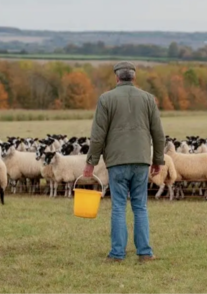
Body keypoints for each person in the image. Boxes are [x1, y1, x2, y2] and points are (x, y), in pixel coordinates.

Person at [83, 61, 165, 262]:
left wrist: (90, 162)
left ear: (116, 77)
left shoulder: (106, 99)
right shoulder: (148, 99)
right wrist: (158, 160)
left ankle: (117, 254)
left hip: (117, 161)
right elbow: (159, 134)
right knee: (140, 206)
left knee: (119, 206)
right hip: (141, 160)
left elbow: (98, 135)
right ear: (134, 77)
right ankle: (145, 252)